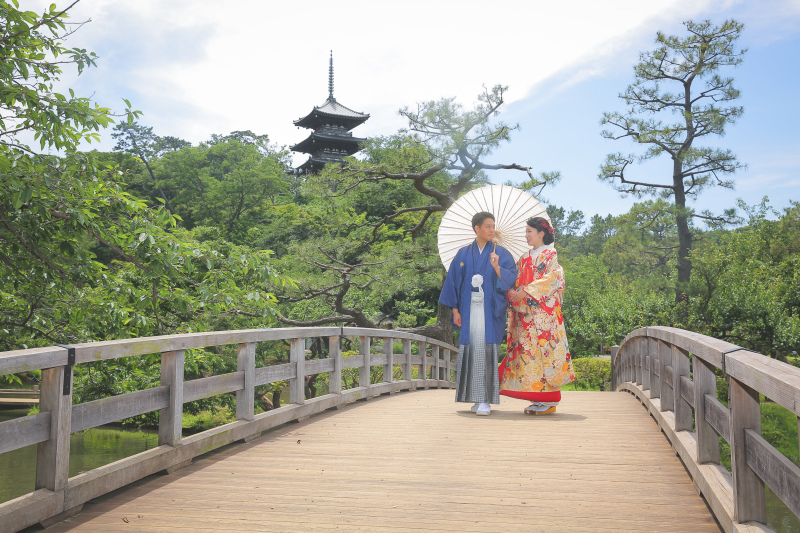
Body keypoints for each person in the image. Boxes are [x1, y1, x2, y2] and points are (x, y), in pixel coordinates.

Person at [439, 211, 516, 416]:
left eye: (493, 226)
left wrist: (497, 267)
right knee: (471, 352)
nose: (492, 230)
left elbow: (510, 282)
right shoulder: (463, 254)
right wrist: (455, 310)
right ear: (477, 229)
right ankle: (474, 396)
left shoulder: (501, 254)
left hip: (490, 311)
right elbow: (454, 282)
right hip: (468, 309)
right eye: (488, 226)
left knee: (486, 351)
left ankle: (485, 400)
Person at [500, 217, 575, 415]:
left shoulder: (550, 254)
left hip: (543, 317)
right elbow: (513, 279)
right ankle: (537, 397)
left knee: (544, 356)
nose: (526, 236)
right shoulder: (524, 257)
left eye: (529, 232)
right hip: (524, 315)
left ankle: (549, 400)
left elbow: (554, 278)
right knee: (529, 358)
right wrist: (509, 287)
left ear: (541, 233)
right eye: (525, 232)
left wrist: (526, 291)